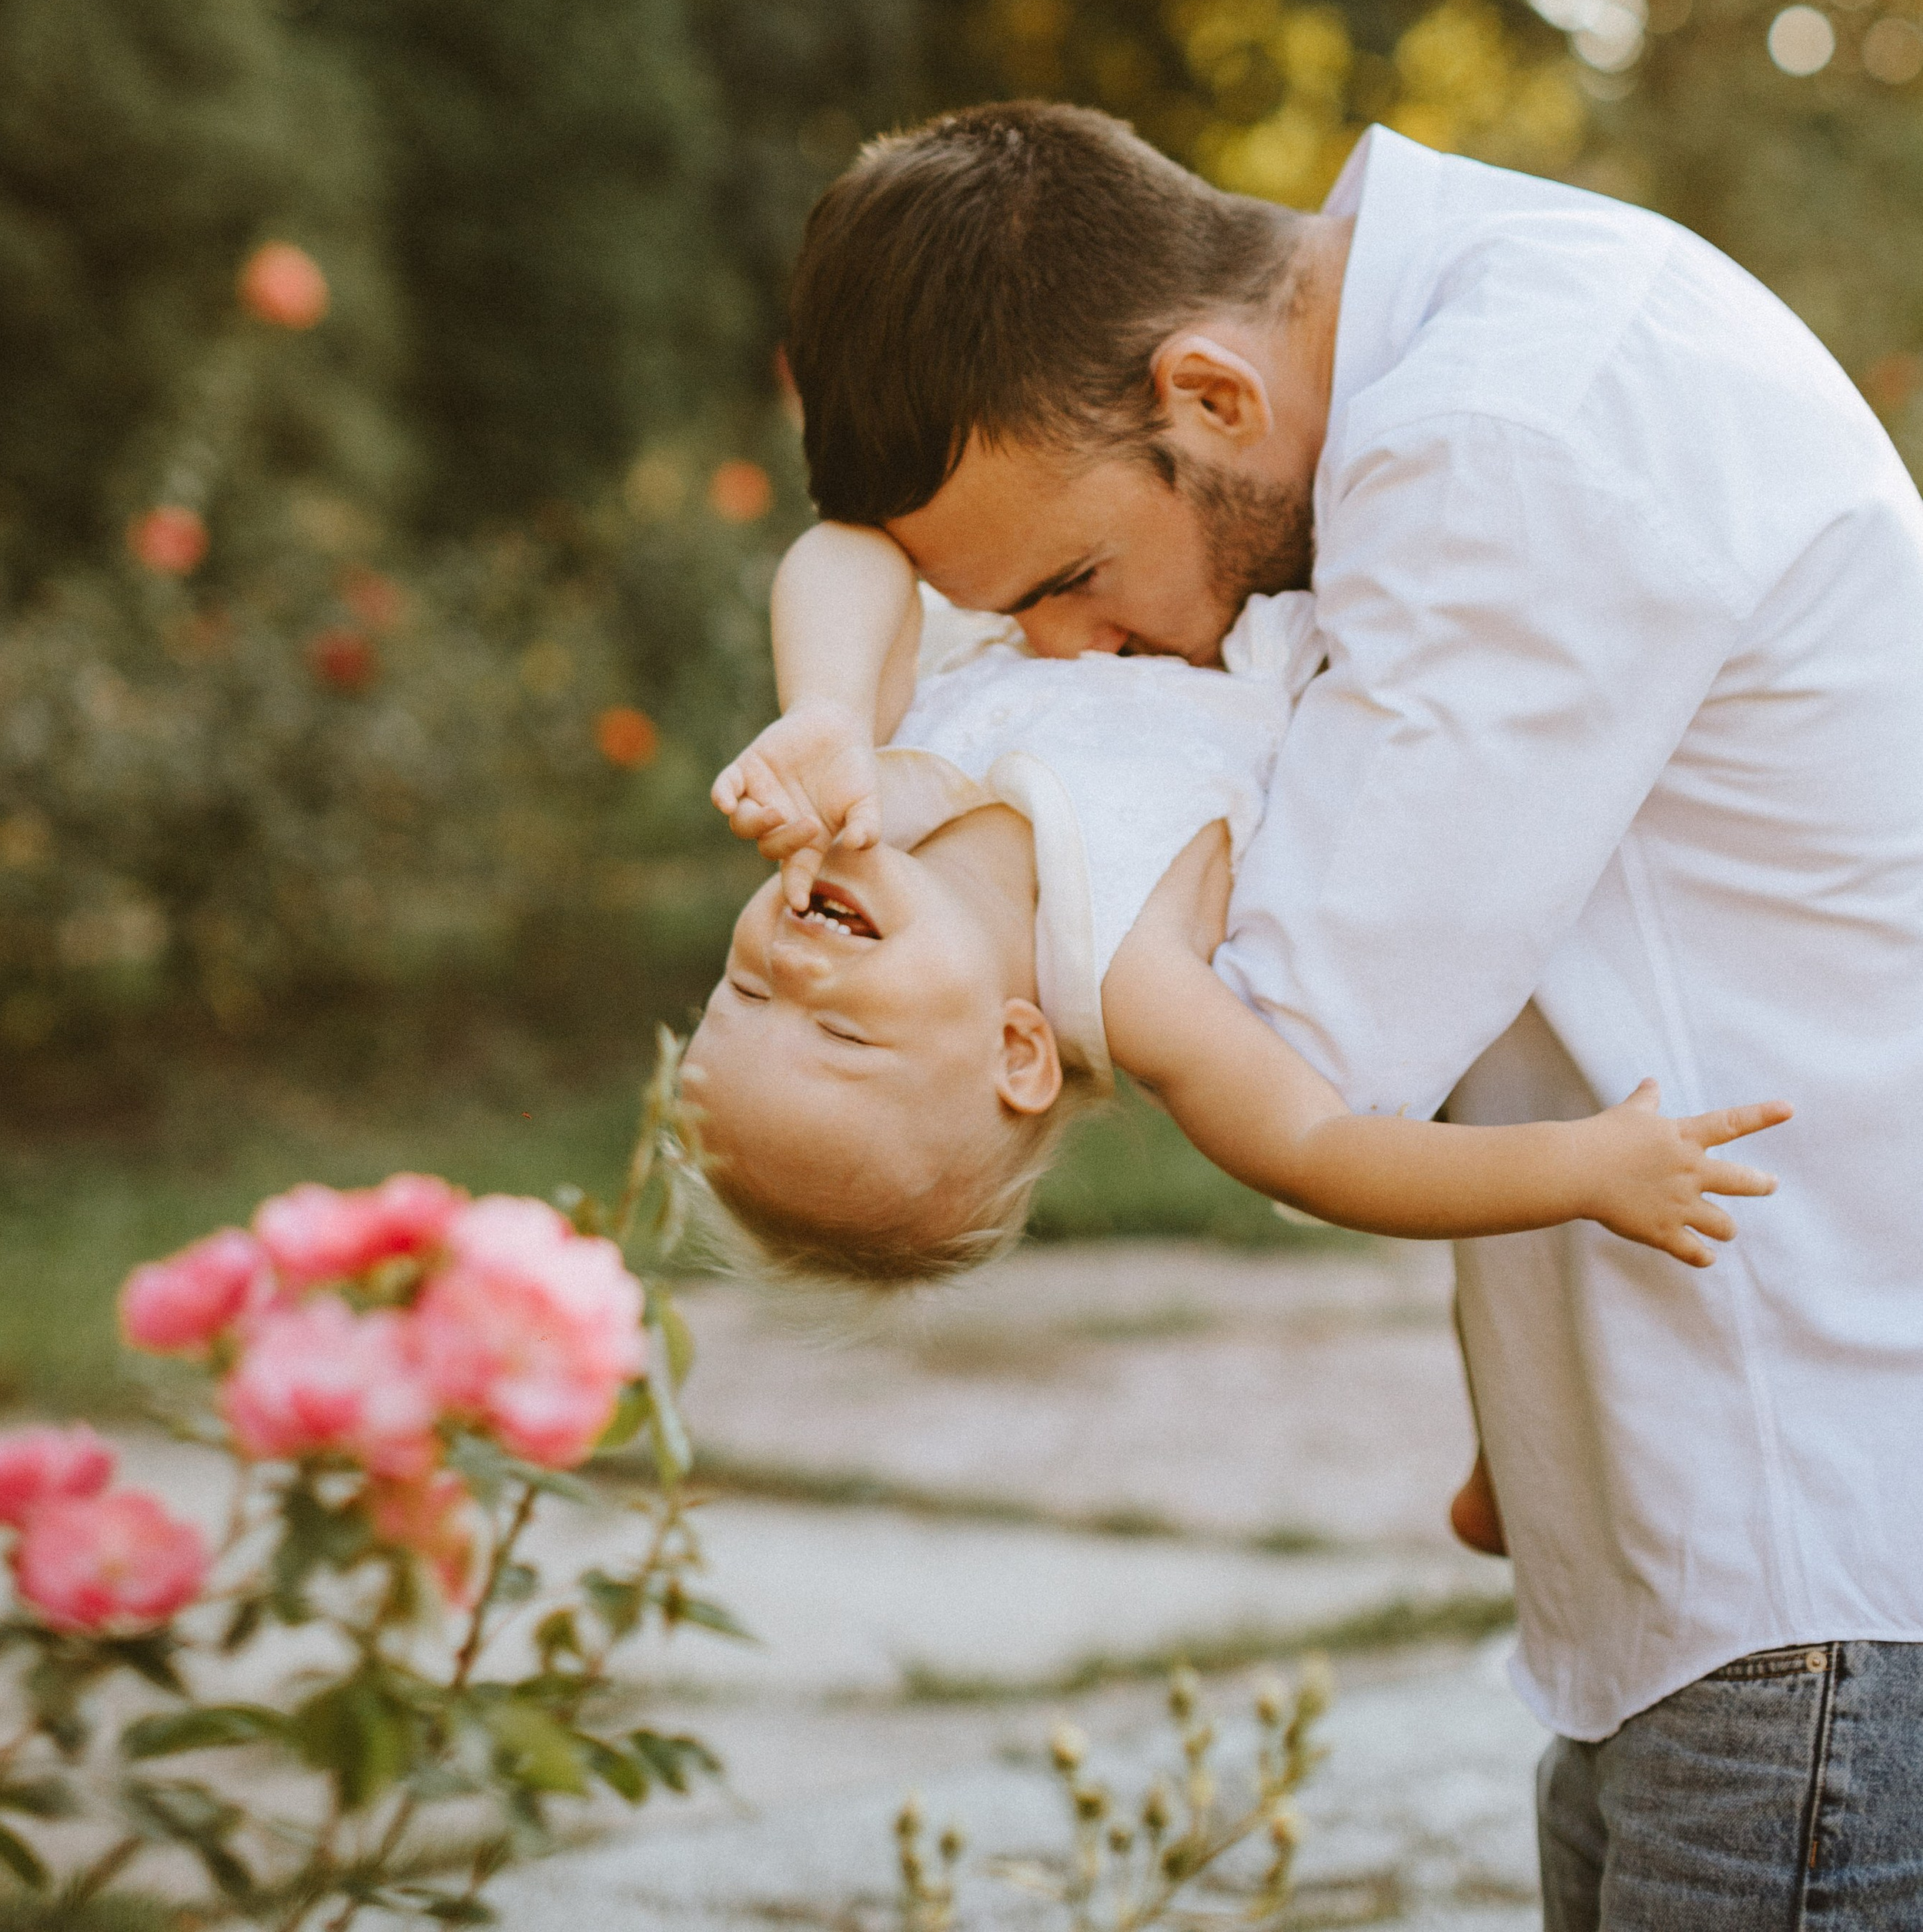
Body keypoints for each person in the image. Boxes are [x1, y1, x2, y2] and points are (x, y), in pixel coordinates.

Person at [752, 99, 1923, 1932]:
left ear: (1207, 399)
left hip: (1804, 1544)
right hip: (1673, 1543)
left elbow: (1307, 1047)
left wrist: (962, 929)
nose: (1059, 652)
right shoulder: (1445, 363)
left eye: (1063, 583)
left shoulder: (1511, 439)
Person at [689, 529, 1788, 1297]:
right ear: (1019, 1053)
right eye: (840, 1032)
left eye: (742, 992)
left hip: (1136, 562)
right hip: (1331, 630)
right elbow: (1319, 1147)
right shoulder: (1126, 975)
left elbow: (854, 548)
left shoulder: (868, 780)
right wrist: (1583, 1171)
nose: (795, 972)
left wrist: (823, 704)